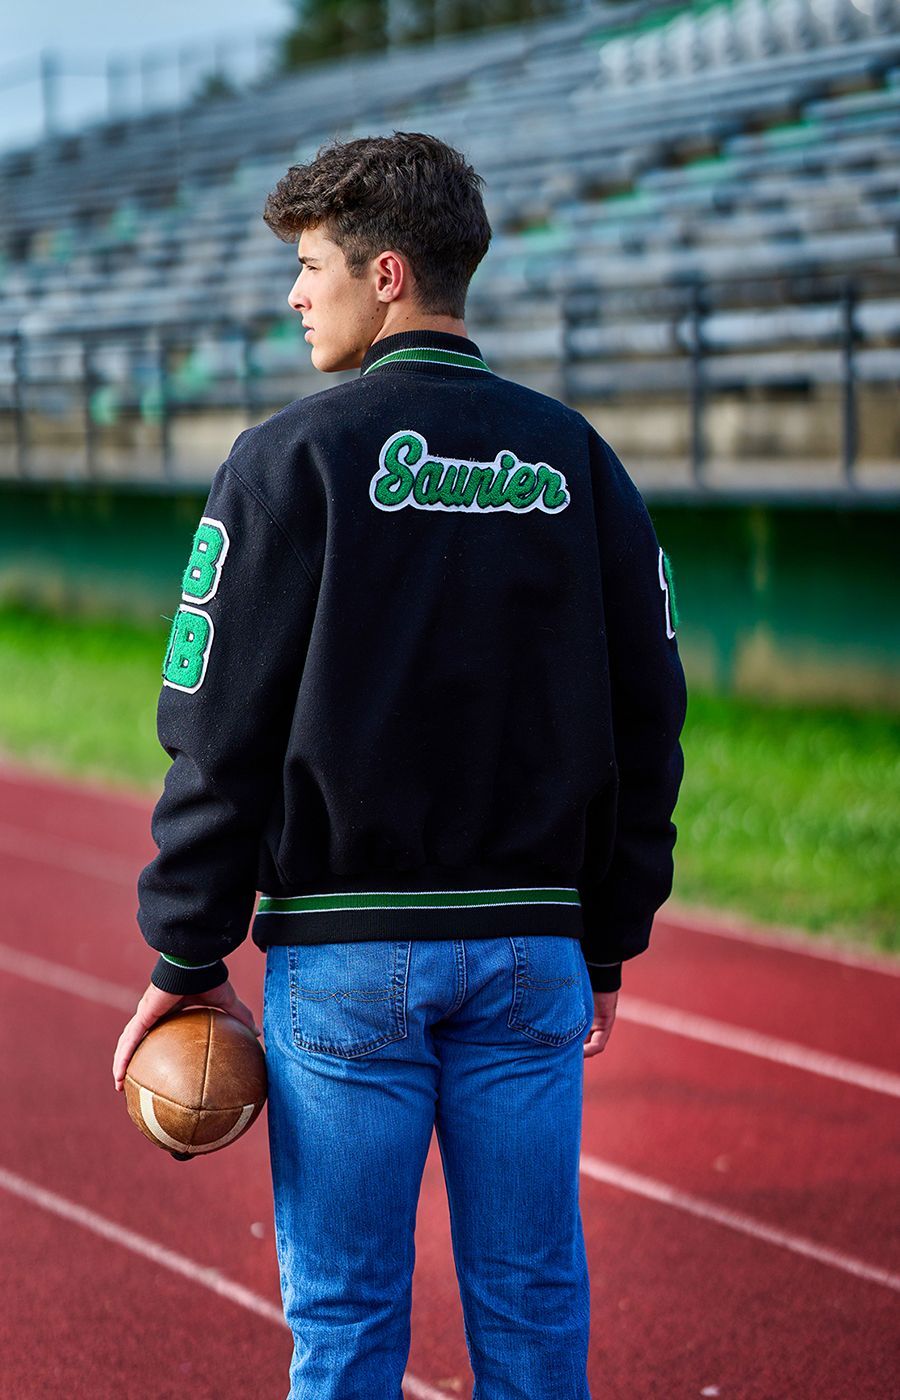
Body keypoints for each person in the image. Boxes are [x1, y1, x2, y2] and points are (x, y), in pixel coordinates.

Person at [112, 130, 687, 1399]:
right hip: (533, 952)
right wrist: (608, 936)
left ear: (384, 274)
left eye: (308, 265)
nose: (292, 294)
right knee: (536, 1316)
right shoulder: (583, 459)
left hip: (347, 954)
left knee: (347, 1322)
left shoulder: (286, 461)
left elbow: (216, 735)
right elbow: (653, 721)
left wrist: (183, 956)